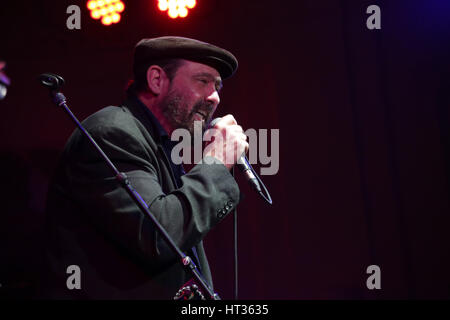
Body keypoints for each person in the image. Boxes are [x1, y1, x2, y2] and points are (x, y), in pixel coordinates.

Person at [39, 36, 248, 299]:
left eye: (217, 86)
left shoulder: (161, 145)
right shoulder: (112, 132)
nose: (215, 97)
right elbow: (159, 235)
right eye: (203, 81)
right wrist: (216, 163)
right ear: (157, 80)